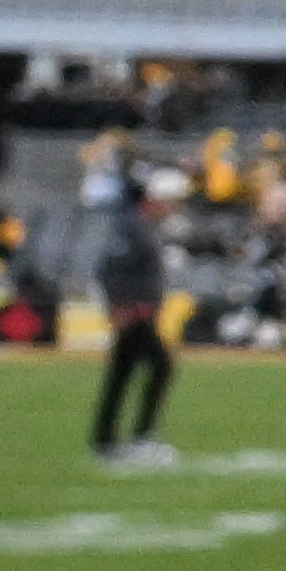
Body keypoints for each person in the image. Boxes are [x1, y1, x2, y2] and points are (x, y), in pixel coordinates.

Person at [80, 177, 180, 466]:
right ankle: (141, 436)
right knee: (160, 366)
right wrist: (117, 306)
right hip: (135, 314)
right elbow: (110, 269)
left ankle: (105, 440)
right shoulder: (134, 229)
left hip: (140, 312)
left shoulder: (142, 228)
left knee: (120, 375)